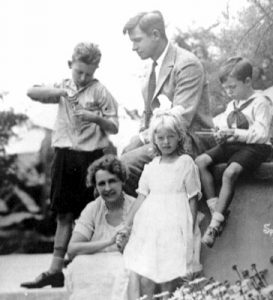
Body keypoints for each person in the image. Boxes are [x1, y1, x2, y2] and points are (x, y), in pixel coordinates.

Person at [21, 42, 119, 288]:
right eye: (79, 72)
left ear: (96, 69)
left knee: (93, 214)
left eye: (89, 72)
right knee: (63, 213)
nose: (84, 77)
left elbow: (115, 126)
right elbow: (31, 92)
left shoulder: (100, 91)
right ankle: (55, 270)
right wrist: (61, 93)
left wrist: (96, 118)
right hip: (65, 156)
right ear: (70, 66)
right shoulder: (63, 86)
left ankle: (91, 269)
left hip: (91, 159)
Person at [121, 10, 214, 197]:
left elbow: (180, 120)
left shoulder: (187, 64)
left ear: (155, 35)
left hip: (189, 140)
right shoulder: (151, 69)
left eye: (137, 40)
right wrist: (138, 137)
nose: (133, 47)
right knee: (111, 167)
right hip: (162, 139)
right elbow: (148, 116)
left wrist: (141, 140)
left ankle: (131, 222)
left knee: (124, 168)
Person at [120, 107, 202, 300]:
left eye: (171, 137)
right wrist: (127, 224)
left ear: (179, 137)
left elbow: (192, 198)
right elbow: (141, 197)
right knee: (146, 276)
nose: (166, 142)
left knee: (169, 275)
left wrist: (190, 229)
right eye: (161, 138)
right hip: (150, 227)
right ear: (154, 139)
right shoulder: (150, 167)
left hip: (174, 225)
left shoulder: (185, 163)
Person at [195, 57, 273, 248]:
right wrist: (221, 134)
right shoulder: (232, 105)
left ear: (248, 81)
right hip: (235, 144)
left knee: (230, 172)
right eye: (226, 89)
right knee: (200, 162)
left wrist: (234, 133)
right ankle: (217, 209)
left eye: (233, 87)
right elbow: (226, 126)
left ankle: (214, 225)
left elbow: (262, 134)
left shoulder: (261, 102)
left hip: (256, 147)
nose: (229, 92)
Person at [65, 155, 135, 300]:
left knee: (127, 270)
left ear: (122, 180)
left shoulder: (135, 207)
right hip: (97, 261)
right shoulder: (93, 209)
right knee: (79, 264)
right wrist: (109, 242)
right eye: (101, 184)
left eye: (112, 181)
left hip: (127, 262)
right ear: (95, 186)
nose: (107, 188)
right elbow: (72, 249)